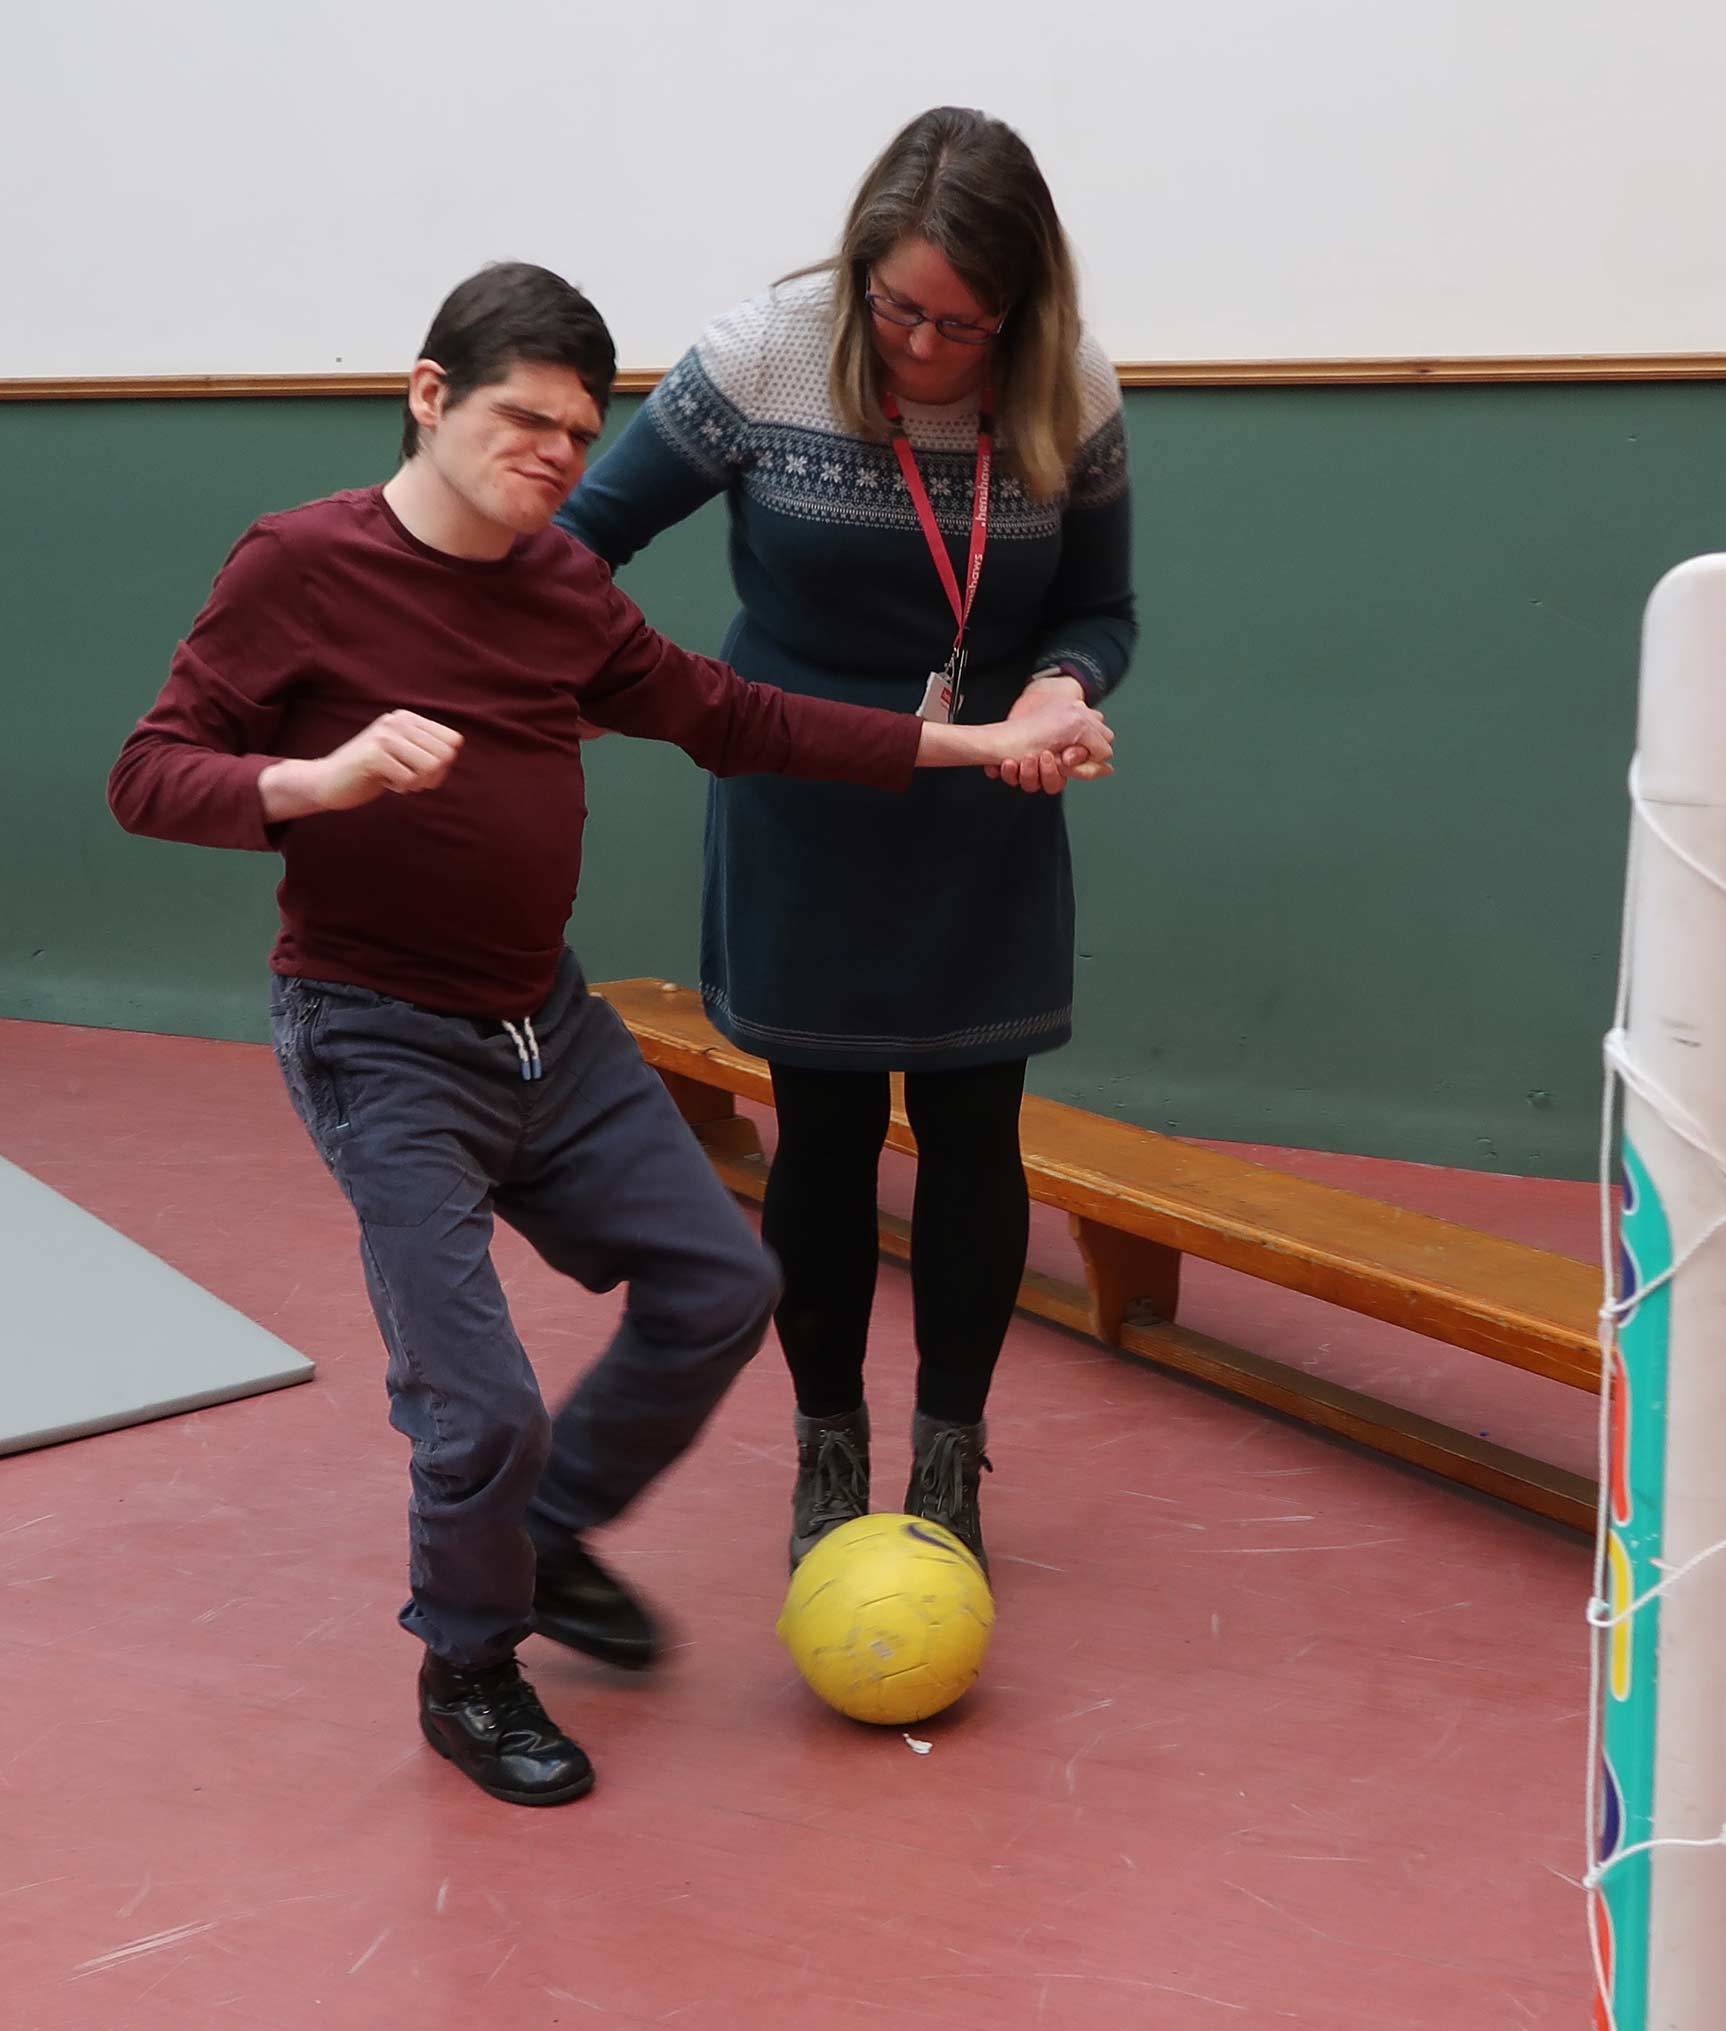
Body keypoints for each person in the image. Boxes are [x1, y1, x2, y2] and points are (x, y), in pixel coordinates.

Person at [105, 261, 1112, 1808]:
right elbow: (150, 771)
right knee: (480, 1400)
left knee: (720, 1283)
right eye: (525, 422)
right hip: (379, 1037)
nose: (557, 460)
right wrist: (315, 781)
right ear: (430, 396)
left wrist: (981, 741)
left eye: (581, 436)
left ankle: (543, 1534)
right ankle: (470, 1664)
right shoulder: (301, 566)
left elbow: (737, 715)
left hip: (545, 1026)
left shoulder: (561, 590)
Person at [557, 107, 1137, 1577]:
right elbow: (577, 550)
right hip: (802, 803)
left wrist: (1066, 686)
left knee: (971, 1129)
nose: (932, 352)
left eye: (970, 326)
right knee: (817, 1134)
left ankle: (950, 1461)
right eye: (903, 313)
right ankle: (829, 1451)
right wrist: (659, 696)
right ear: (861, 266)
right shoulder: (762, 354)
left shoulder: (1068, 383)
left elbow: (1101, 608)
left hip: (985, 805)